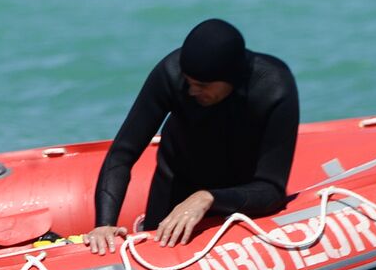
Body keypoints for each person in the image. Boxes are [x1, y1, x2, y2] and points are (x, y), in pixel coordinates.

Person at [87, 19, 299, 253]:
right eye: (188, 81)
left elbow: (272, 190)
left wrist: (208, 198)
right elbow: (122, 154)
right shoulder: (171, 72)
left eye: (201, 84)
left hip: (240, 193)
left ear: (231, 77)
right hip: (176, 182)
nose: (191, 90)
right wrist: (104, 225)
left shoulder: (274, 87)